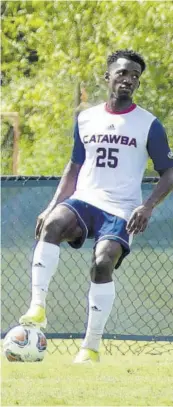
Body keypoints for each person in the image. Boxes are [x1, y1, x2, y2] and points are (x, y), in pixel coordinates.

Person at [20, 49, 173, 363]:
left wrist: (147, 207)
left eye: (134, 76)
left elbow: (169, 171)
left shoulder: (149, 125)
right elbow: (74, 167)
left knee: (102, 262)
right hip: (85, 199)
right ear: (108, 77)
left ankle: (89, 348)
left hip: (121, 209)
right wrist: (52, 204)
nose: (128, 80)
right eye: (122, 73)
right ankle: (37, 308)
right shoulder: (86, 118)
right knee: (52, 224)